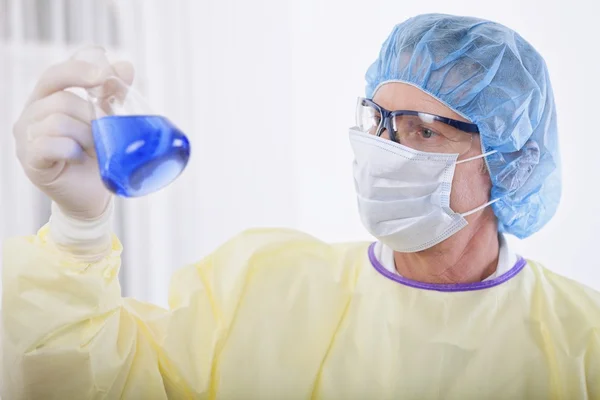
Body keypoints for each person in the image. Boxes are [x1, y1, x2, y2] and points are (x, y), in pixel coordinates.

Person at [3, 13, 599, 399]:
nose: (384, 151)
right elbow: (97, 382)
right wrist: (80, 231)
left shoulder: (581, 344)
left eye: (422, 132)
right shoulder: (261, 290)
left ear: (508, 163)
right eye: (378, 122)